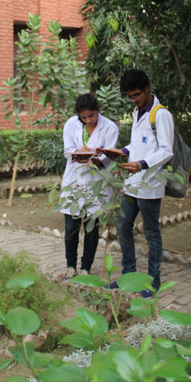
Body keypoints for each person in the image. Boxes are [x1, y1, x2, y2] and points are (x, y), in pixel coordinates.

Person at [104, 69, 174, 298]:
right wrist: (121, 151)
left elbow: (166, 151)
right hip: (132, 183)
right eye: (130, 97)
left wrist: (143, 164)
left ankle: (154, 281)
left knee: (152, 233)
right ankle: (129, 276)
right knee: (124, 228)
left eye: (136, 95)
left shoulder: (161, 114)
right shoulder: (137, 112)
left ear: (147, 90)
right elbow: (138, 144)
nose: (133, 100)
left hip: (150, 183)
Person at [59, 93, 120, 278]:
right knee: (71, 227)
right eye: (83, 117)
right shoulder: (71, 124)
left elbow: (109, 157)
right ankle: (71, 266)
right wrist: (79, 152)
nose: (87, 120)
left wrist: (94, 156)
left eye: (91, 116)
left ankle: (86, 268)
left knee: (92, 228)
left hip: (97, 183)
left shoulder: (109, 127)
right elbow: (67, 150)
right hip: (74, 181)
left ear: (98, 111)